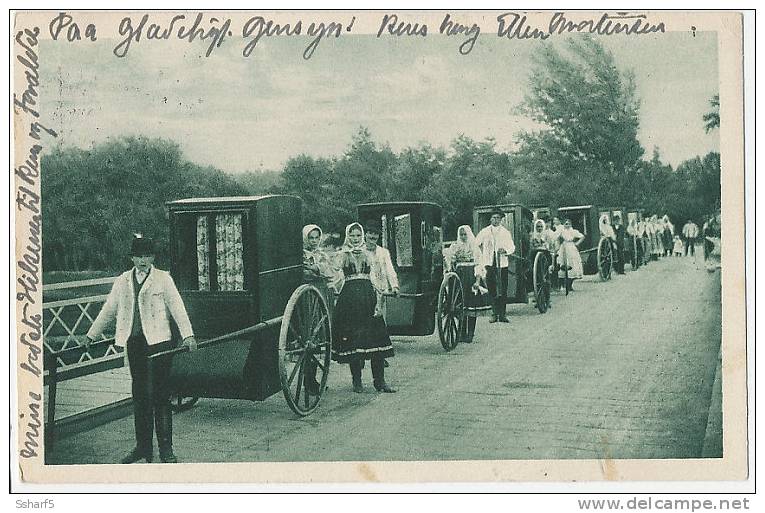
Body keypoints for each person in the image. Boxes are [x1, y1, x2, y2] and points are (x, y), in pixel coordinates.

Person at [85, 234, 196, 464]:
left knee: (161, 395)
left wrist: (188, 335)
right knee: (140, 396)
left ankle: (166, 450)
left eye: (146, 256)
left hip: (159, 343)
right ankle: (143, 448)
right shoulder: (123, 281)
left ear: (153, 257)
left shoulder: (164, 279)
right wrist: (91, 334)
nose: (142, 261)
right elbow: (109, 309)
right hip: (134, 344)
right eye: (138, 256)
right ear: (132, 258)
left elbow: (178, 308)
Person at [332, 223, 396, 393]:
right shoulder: (342, 255)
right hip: (350, 300)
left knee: (376, 338)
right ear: (348, 236)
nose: (355, 239)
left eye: (358, 236)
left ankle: (379, 381)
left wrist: (379, 300)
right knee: (354, 340)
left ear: (362, 237)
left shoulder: (370, 255)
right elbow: (335, 276)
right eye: (352, 236)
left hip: (368, 297)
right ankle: (357, 381)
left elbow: (375, 278)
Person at [302, 224, 339, 395]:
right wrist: (316, 271)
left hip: (323, 294)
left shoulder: (322, 255)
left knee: (320, 336)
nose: (314, 241)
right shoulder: (301, 255)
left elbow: (331, 272)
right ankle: (308, 381)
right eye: (311, 238)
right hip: (308, 296)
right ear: (305, 238)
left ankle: (314, 379)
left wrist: (318, 269)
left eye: (317, 238)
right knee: (310, 337)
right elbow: (304, 274)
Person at [444, 225, 485, 343]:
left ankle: (470, 333)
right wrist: (448, 262)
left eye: (464, 234)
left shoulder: (474, 247)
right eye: (461, 234)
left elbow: (479, 263)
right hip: (458, 277)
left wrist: (477, 281)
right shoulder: (455, 246)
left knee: (471, 306)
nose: (463, 237)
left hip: (470, 276)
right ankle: (461, 332)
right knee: (460, 306)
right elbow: (449, 259)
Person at [475, 208, 516, 323]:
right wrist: (481, 254)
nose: (496, 220)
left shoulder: (505, 232)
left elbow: (512, 247)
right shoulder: (485, 231)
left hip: (502, 264)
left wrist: (505, 250)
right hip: (489, 263)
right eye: (494, 218)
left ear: (501, 219)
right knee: (491, 287)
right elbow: (476, 243)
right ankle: (494, 313)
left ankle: (502, 314)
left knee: (503, 288)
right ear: (490, 219)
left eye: (498, 218)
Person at [557, 218, 584, 292]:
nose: (567, 225)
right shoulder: (562, 231)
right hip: (564, 247)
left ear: (571, 224)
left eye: (568, 224)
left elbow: (582, 236)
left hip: (571, 247)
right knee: (563, 263)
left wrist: (577, 243)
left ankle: (570, 285)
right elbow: (556, 237)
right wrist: (558, 245)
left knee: (573, 263)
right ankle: (564, 285)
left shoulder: (573, 231)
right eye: (565, 224)